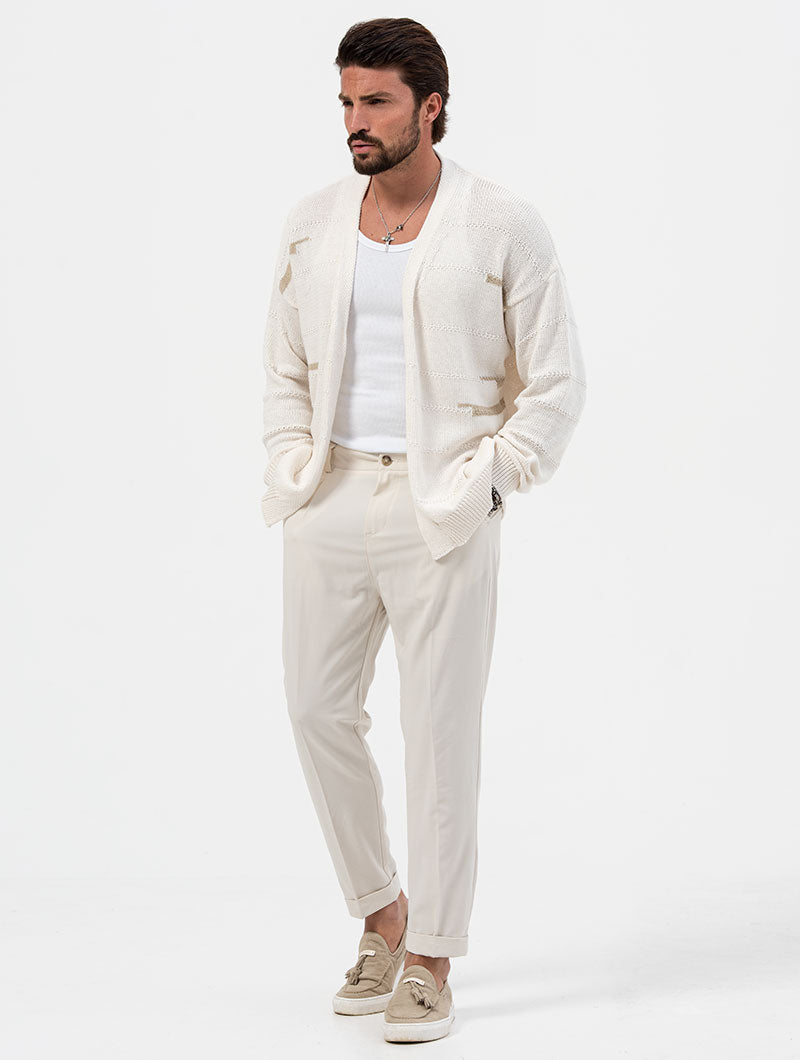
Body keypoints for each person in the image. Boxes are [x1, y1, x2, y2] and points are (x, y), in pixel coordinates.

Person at [260, 17, 587, 1044]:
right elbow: (283, 365)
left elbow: (555, 382)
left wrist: (492, 480)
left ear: (429, 107)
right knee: (316, 710)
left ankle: (432, 956)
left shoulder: (500, 223)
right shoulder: (312, 222)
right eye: (346, 102)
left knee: (438, 734)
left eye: (376, 103)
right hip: (327, 494)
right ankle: (381, 912)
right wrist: (290, 458)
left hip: (442, 505)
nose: (354, 122)